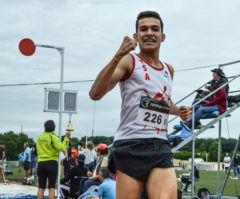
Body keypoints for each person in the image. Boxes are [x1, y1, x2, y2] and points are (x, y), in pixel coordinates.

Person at [89, 11, 191, 199]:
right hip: (131, 145)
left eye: (155, 29)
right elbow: (95, 93)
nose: (149, 33)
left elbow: (162, 102)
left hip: (159, 144)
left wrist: (179, 111)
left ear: (163, 36)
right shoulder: (129, 61)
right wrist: (118, 55)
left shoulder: (169, 69)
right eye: (143, 29)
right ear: (136, 36)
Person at [36, 120, 70, 199]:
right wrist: (66, 138)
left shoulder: (39, 138)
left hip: (41, 163)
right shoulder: (53, 137)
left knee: (41, 187)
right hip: (51, 163)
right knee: (51, 187)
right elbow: (62, 148)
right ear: (53, 127)